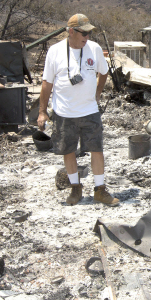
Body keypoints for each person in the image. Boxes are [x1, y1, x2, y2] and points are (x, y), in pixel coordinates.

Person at [37, 13, 119, 206]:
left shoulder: (95, 49)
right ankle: (75, 189)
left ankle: (100, 190)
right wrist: (42, 111)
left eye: (89, 33)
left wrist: (97, 94)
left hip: (89, 111)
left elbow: (104, 73)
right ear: (71, 31)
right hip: (64, 113)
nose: (87, 37)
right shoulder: (55, 52)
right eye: (84, 33)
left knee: (96, 149)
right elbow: (47, 83)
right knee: (69, 151)